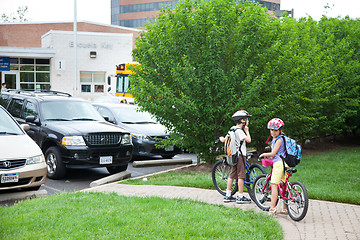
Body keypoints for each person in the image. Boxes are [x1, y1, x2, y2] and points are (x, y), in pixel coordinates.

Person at [219, 110, 252, 204]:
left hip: (233, 156)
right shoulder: (240, 131)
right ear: (242, 120)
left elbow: (225, 139)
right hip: (241, 156)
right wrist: (247, 131)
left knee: (232, 175)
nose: (247, 121)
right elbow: (248, 140)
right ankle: (240, 196)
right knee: (241, 176)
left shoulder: (232, 129)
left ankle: (228, 195)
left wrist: (221, 139)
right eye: (246, 119)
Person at [259, 118, 288, 216]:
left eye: (275, 130)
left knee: (274, 185)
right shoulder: (281, 138)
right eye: (271, 130)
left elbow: (273, 153)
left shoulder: (279, 140)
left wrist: (264, 154)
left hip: (279, 164)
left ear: (280, 130)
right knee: (284, 185)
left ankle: (272, 208)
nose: (273, 132)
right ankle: (284, 209)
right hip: (284, 163)